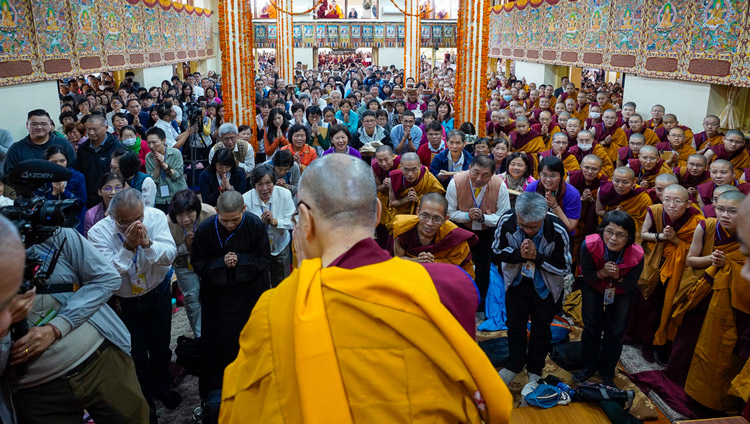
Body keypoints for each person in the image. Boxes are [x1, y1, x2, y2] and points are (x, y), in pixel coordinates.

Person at [220, 154, 512, 423]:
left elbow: (241, 410)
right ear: (377, 213)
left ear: (305, 220)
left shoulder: (276, 309)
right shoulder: (449, 287)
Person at [1, 212, 151, 423]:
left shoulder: (44, 234)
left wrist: (57, 327)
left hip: (102, 360)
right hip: (36, 393)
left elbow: (106, 278)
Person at [86, 189, 180, 422]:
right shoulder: (99, 233)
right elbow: (107, 275)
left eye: (139, 218)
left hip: (156, 292)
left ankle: (163, 387)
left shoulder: (156, 217)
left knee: (160, 346)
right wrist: (127, 248)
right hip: (122, 301)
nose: (135, 224)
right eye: (126, 222)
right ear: (112, 215)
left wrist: (147, 244)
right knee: (135, 353)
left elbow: (170, 255)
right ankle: (145, 401)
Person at [191, 190, 272, 421]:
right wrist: (221, 263)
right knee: (215, 345)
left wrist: (241, 261)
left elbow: (264, 258)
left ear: (244, 211)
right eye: (224, 220)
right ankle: (217, 392)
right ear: (216, 212)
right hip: (217, 298)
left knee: (251, 339)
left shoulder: (255, 225)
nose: (229, 225)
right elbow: (198, 262)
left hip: (248, 294)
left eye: (235, 220)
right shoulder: (206, 229)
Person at [494, 191, 571, 386]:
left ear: (544, 216)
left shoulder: (558, 229)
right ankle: (514, 364)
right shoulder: (507, 220)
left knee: (541, 328)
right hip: (516, 282)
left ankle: (535, 368)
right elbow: (495, 252)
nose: (527, 231)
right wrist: (519, 256)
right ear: (517, 215)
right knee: (515, 324)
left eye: (533, 227)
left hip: (545, 286)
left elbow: (564, 268)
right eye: (523, 225)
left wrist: (537, 257)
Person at [685, 190, 750, 412]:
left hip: (737, 303)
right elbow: (690, 260)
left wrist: (729, 265)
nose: (724, 215)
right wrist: (713, 260)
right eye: (720, 209)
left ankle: (721, 401)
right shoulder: (708, 226)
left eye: (732, 211)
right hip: (704, 293)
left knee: (725, 351)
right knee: (699, 345)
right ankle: (694, 391)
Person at [629, 185, 703, 361]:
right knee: (647, 304)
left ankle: (661, 343)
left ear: (688, 203)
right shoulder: (655, 211)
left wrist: (676, 239)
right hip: (654, 264)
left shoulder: (696, 219)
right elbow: (643, 234)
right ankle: (645, 342)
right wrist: (662, 237)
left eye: (677, 201)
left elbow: (696, 250)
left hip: (678, 269)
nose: (671, 204)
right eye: (667, 199)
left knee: (667, 305)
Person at [574, 211, 644, 387]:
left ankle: (607, 371)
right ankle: (588, 366)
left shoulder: (637, 255)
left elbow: (630, 285)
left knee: (615, 331)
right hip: (594, 286)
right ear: (601, 230)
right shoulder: (589, 245)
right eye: (609, 232)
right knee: (591, 327)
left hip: (620, 291)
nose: (613, 238)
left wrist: (618, 277)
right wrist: (602, 273)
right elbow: (587, 276)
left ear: (629, 238)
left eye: (620, 235)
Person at [446, 155, 511, 310]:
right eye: (475, 172)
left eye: (485, 175)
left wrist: (484, 218)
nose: (479, 179)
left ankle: (479, 304)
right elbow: (449, 212)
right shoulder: (455, 182)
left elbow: (504, 216)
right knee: (458, 264)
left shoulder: (499, 186)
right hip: (462, 228)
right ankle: (457, 300)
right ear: (469, 168)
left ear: (493, 174)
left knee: (483, 268)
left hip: (486, 231)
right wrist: (467, 216)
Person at [392, 192, 478, 277]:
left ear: (445, 219)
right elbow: (398, 261)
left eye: (437, 218)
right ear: (418, 212)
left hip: (442, 280)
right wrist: (418, 260)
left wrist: (433, 263)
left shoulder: (454, 237)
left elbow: (462, 273)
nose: (429, 223)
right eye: (425, 215)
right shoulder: (403, 228)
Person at [167, 189, 214, 339]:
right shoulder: (167, 223)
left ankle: (214, 329)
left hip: (207, 261)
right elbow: (167, 254)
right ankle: (200, 336)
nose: (185, 219)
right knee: (192, 297)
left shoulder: (210, 214)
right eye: (180, 215)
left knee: (211, 295)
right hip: (183, 264)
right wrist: (185, 246)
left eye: (189, 213)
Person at [243, 165, 295, 286]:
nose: (264, 188)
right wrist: (260, 224)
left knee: (282, 283)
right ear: (254, 184)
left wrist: (276, 222)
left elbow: (293, 222)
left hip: (281, 244)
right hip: (257, 249)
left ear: (274, 182)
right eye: (260, 184)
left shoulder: (285, 194)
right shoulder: (245, 199)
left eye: (268, 183)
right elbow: (244, 229)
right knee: (260, 283)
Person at [4, 109, 77, 176]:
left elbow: (74, 169)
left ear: (50, 125)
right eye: (34, 124)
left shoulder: (64, 144)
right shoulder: (16, 149)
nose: (39, 127)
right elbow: (9, 176)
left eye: (44, 124)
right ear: (27, 125)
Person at [78, 114, 125, 208]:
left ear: (106, 128)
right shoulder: (83, 149)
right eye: (88, 129)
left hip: (113, 198)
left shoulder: (118, 148)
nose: (91, 133)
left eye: (95, 129)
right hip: (90, 199)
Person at [526, 156, 581, 233]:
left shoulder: (572, 194)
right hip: (535, 230)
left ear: (561, 176)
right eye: (544, 175)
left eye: (553, 176)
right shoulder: (532, 188)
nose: (548, 180)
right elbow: (524, 216)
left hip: (561, 233)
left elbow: (570, 227)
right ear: (539, 174)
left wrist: (555, 206)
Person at [596, 167, 652, 236]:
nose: (620, 186)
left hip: (630, 230)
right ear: (612, 179)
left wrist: (624, 216)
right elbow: (598, 211)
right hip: (608, 225)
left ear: (633, 183)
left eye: (625, 182)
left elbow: (646, 223)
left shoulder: (642, 197)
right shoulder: (604, 190)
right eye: (616, 181)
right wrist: (614, 213)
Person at [43, 146, 87, 233]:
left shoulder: (77, 177)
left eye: (62, 161)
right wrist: (53, 194)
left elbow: (82, 202)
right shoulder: (42, 177)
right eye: (54, 162)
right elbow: (41, 205)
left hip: (75, 219)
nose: (59, 165)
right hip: (50, 220)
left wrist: (64, 192)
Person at [389, 152, 446, 218]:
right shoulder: (394, 178)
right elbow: (392, 203)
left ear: (420, 166)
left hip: (424, 215)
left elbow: (438, 202)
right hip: (400, 215)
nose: (410, 174)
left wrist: (419, 200)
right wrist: (406, 199)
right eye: (406, 169)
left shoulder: (428, 178)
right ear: (400, 167)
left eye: (414, 169)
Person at [145, 127, 188, 212]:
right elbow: (153, 180)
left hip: (178, 194)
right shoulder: (149, 157)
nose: (151, 146)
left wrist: (163, 164)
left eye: (154, 142)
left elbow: (177, 175)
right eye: (148, 143)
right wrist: (157, 166)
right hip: (159, 197)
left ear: (164, 141)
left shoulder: (175, 153)